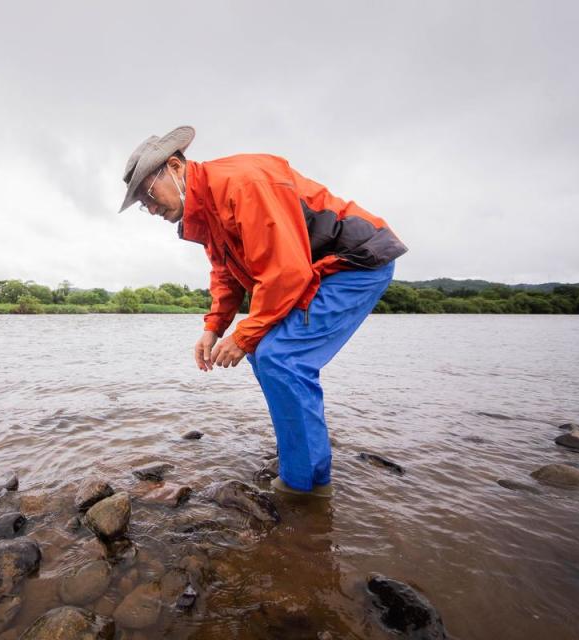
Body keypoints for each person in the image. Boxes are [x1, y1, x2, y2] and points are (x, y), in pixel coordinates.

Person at [118, 126, 408, 498]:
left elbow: (287, 272)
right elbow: (226, 272)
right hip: (312, 270)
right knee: (266, 354)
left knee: (280, 357)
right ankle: (300, 461)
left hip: (355, 262)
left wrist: (244, 335)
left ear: (175, 167)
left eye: (149, 194)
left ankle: (303, 488)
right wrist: (215, 328)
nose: (151, 208)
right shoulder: (204, 208)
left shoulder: (243, 185)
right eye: (143, 203)